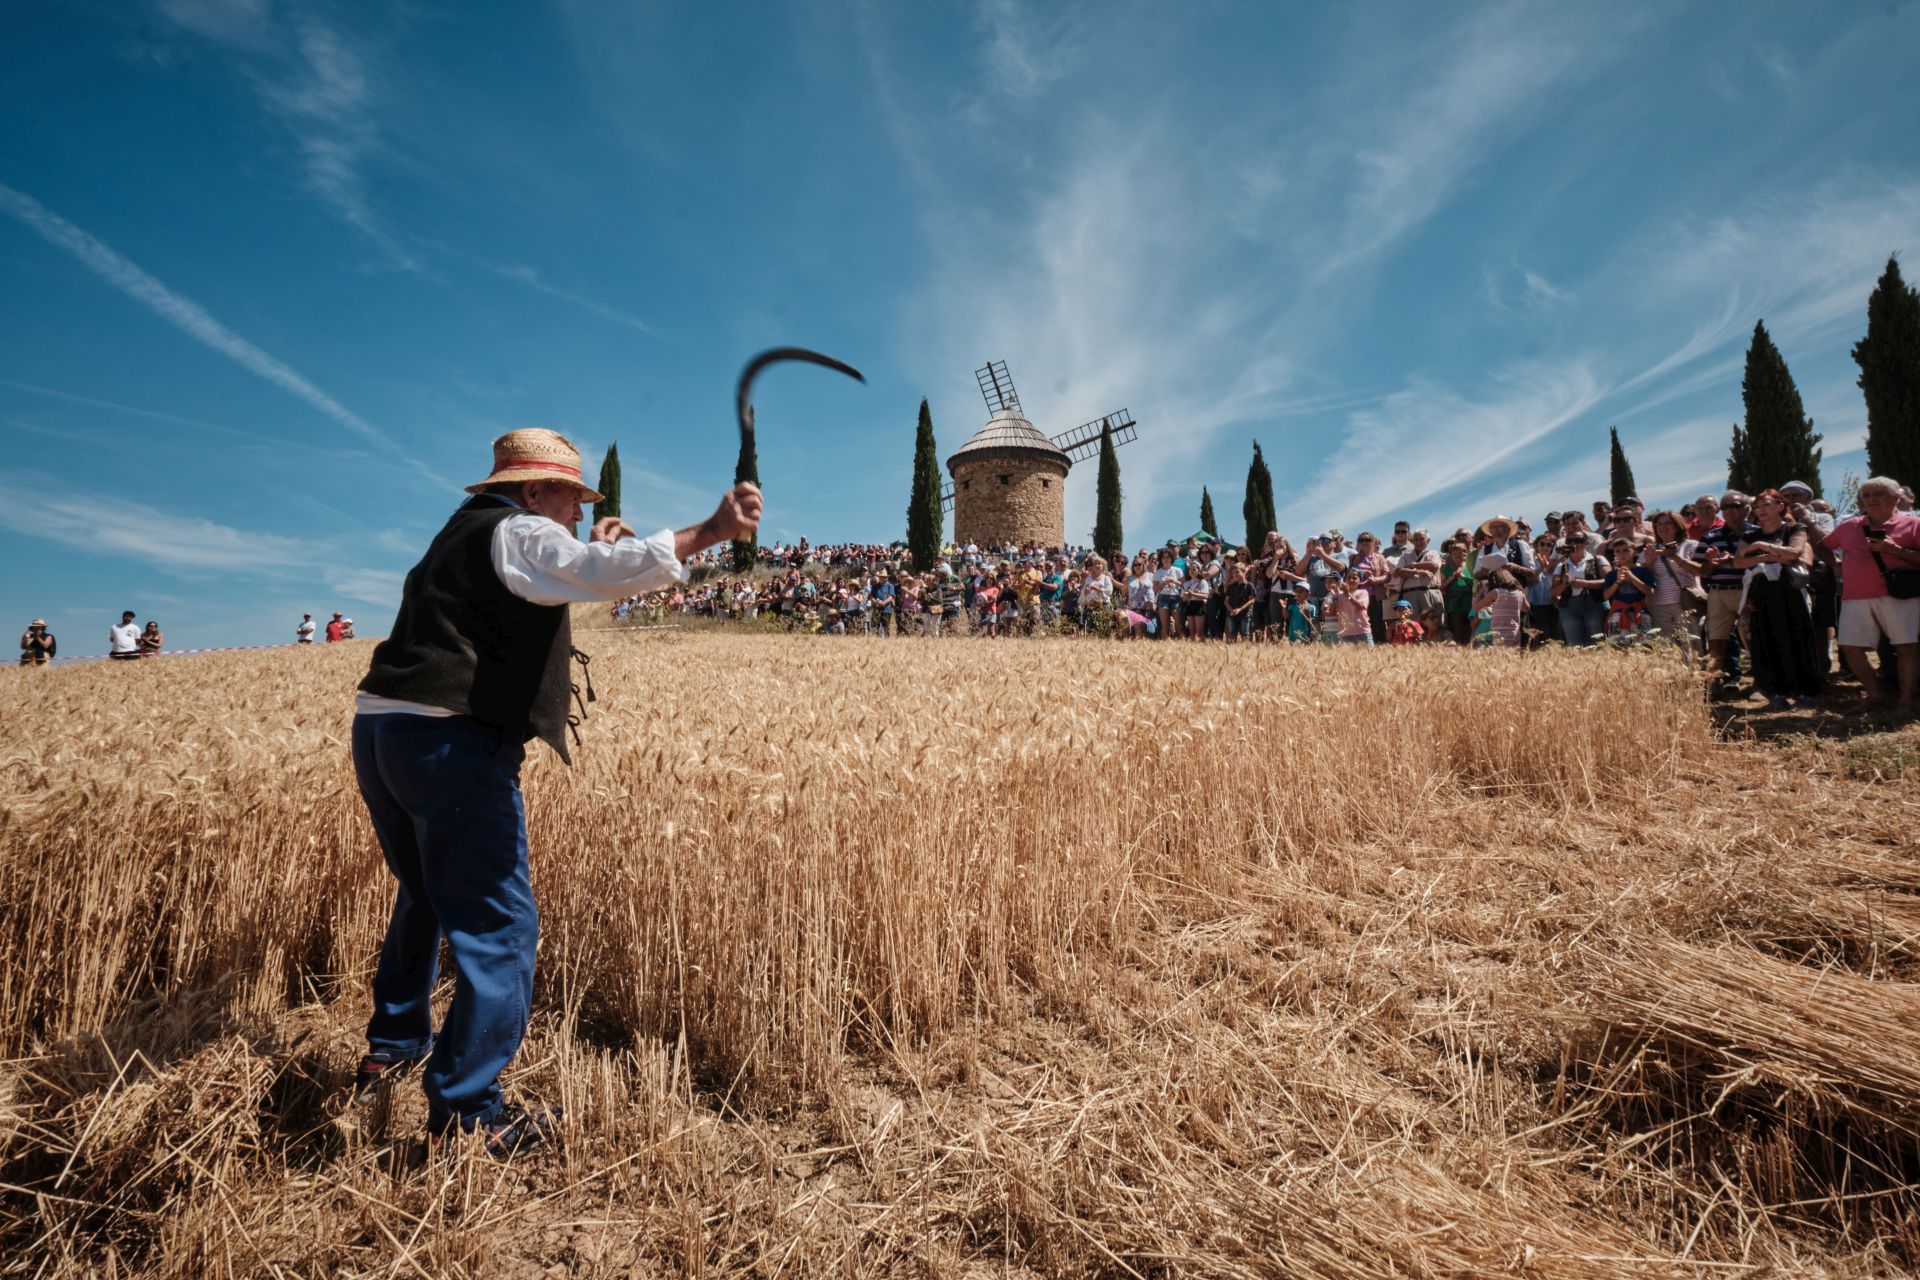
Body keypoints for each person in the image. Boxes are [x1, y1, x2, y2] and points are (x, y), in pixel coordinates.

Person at [351, 427, 760, 1155]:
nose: (577, 511)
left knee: (426, 893)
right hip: (451, 742)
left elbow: (556, 576)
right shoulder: (519, 529)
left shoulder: (464, 532)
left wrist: (590, 548)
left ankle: (394, 1044)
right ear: (535, 491)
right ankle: (466, 1117)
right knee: (500, 928)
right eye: (572, 498)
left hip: (384, 732)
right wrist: (710, 531)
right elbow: (579, 567)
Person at [1802, 476, 1920, 706]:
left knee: (1906, 647)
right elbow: (1822, 546)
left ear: (1896, 497)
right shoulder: (1849, 526)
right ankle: (1875, 695)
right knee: (1850, 647)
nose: (1871, 499)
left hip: (1899, 595)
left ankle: (1906, 701)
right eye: (1866, 495)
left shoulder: (1913, 525)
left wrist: (1895, 550)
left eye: (1879, 493)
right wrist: (1834, 563)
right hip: (1854, 596)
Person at [1737, 489, 1821, 710]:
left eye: (1766, 505)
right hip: (1762, 591)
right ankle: (1776, 693)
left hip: (1790, 589)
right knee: (1766, 640)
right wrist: (1770, 556)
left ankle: (1804, 691)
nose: (1761, 510)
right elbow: (1739, 561)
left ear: (1780, 506)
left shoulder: (1794, 528)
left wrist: (1761, 547)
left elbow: (1793, 552)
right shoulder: (1749, 535)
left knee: (1798, 637)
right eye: (1757, 507)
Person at [1697, 493, 1758, 689]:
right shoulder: (1710, 536)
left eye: (1735, 506)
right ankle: (1713, 685)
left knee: (1755, 639)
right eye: (1725, 507)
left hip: (1749, 592)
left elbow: (1763, 564)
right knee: (1716, 641)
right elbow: (1703, 572)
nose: (1730, 510)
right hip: (1719, 592)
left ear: (1746, 509)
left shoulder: (1757, 533)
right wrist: (1710, 562)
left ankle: (1761, 684)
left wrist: (1731, 559)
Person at [1553, 532, 1609, 648]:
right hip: (1569, 605)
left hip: (1593, 602)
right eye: (1569, 541)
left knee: (1596, 641)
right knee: (1574, 644)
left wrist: (1584, 583)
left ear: (1586, 543)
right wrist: (1564, 584)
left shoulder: (1598, 560)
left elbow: (1608, 582)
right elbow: (1553, 592)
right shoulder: (1561, 566)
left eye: (1578, 541)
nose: (1573, 544)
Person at [1473, 569, 1527, 647]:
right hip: (1515, 633)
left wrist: (1482, 590)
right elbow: (1526, 609)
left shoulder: (1496, 592)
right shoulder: (1519, 593)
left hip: (1499, 635)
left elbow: (1475, 607)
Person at [1438, 541, 1475, 646]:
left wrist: (1465, 578)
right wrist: (1453, 577)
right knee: (1456, 634)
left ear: (1467, 553)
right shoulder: (1445, 568)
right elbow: (1441, 587)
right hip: (1454, 606)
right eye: (1456, 551)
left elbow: (1477, 584)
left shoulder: (1471, 567)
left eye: (1463, 551)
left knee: (1470, 634)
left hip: (1470, 605)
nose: (1460, 554)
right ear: (1451, 554)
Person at [1222, 562, 1256, 641]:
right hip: (1232, 613)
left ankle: (1245, 648)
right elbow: (1226, 601)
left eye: (1237, 572)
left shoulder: (1249, 586)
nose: (1235, 574)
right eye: (1233, 573)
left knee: (1245, 634)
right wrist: (1232, 610)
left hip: (1245, 614)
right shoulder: (1231, 587)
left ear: (1244, 572)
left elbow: (1251, 600)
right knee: (1231, 633)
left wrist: (1240, 609)